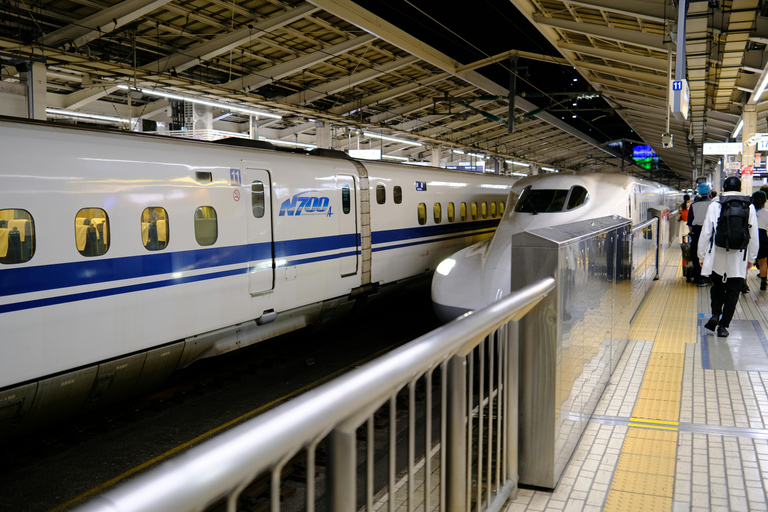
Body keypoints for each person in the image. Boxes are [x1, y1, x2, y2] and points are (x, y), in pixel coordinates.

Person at [699, 176, 760, 337]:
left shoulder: (715, 205)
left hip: (718, 255)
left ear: (723, 189)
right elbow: (754, 235)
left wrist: (701, 256)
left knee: (718, 287)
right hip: (739, 256)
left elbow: (706, 233)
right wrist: (752, 259)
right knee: (733, 292)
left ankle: (715, 314)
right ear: (740, 189)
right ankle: (723, 326)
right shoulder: (749, 206)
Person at [688, 183, 712, 286]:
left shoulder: (693, 205)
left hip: (697, 230)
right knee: (709, 253)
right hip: (710, 230)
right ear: (709, 192)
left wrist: (691, 233)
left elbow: (690, 223)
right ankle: (708, 277)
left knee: (696, 254)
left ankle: (698, 278)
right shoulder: (713, 204)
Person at [754, 191, 768, 291]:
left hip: (750, 237)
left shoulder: (748, 211)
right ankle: (763, 283)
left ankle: (743, 284)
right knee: (763, 262)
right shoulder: (766, 213)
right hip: (763, 237)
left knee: (746, 262)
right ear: (765, 201)